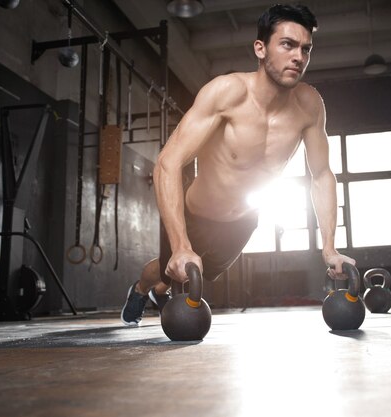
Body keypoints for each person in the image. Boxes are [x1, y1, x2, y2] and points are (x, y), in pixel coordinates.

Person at [121, 4, 355, 326]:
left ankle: (161, 288)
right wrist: (180, 245)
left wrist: (329, 248)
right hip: (195, 215)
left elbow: (322, 175)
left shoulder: (309, 105)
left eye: (305, 48)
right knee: (168, 267)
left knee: (195, 274)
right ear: (260, 48)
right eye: (287, 44)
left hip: (243, 222)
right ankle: (140, 289)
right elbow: (168, 162)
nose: (298, 56)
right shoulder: (227, 92)